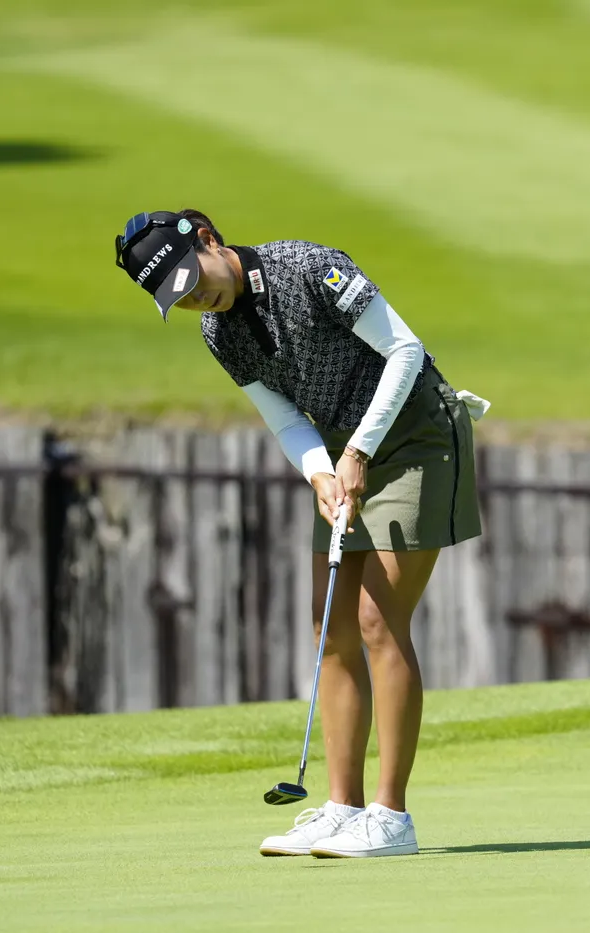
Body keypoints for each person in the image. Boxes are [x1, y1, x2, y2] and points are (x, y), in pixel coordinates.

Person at [113, 210, 487, 858]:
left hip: (417, 437)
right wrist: (319, 473)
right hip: (344, 452)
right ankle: (342, 808)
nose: (196, 298)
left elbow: (405, 351)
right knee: (330, 624)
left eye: (192, 280)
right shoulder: (218, 332)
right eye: (179, 297)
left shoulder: (308, 267)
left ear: (208, 241)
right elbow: (285, 417)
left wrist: (359, 451)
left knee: (377, 620)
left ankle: (391, 816)